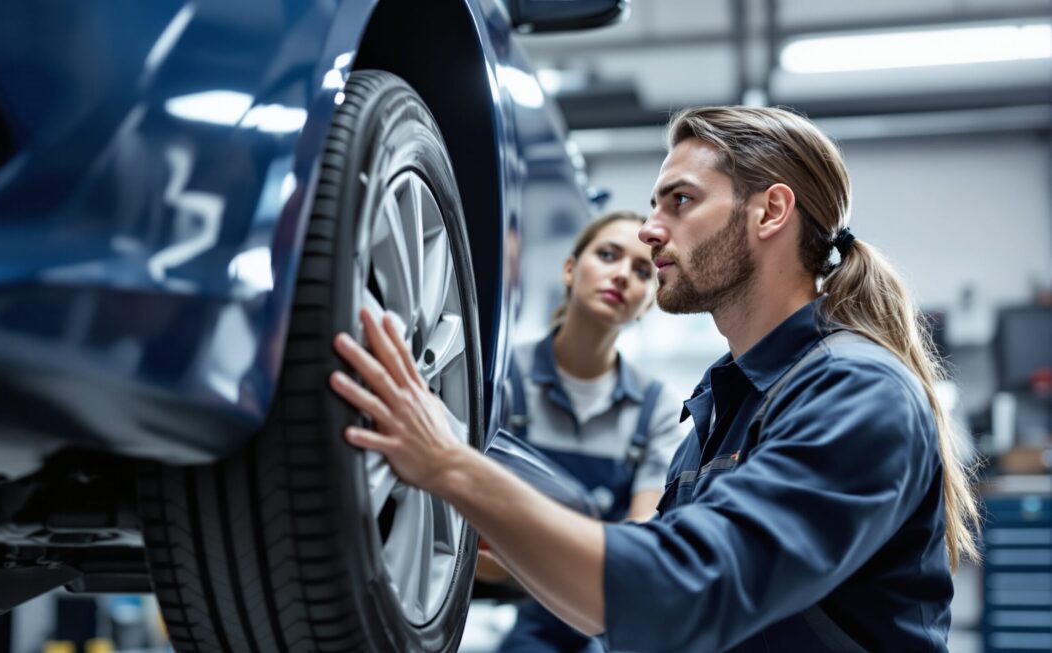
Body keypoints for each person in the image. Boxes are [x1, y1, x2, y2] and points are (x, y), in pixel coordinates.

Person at [328, 106, 980, 651]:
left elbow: (682, 589)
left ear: (770, 211)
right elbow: (619, 605)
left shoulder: (858, 394)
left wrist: (450, 467)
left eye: (680, 201)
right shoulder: (723, 405)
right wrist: (468, 490)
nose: (648, 231)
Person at [486, 211, 686, 652]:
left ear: (647, 302)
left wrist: (522, 543)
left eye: (640, 271)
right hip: (499, 606)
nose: (621, 276)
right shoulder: (498, 380)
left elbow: (639, 544)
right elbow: (465, 539)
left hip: (602, 615)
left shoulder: (658, 408)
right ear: (570, 270)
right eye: (608, 255)